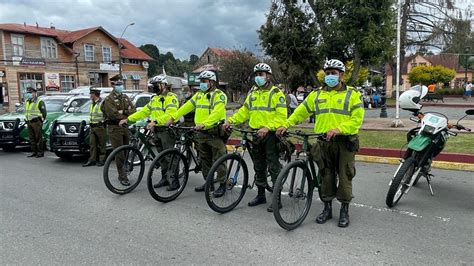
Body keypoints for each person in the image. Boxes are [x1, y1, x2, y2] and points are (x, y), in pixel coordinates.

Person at [277, 59, 364, 227]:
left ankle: (344, 210)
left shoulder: (352, 94)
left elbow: (357, 119)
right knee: (326, 175)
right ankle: (327, 208)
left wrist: (339, 129)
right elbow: (301, 111)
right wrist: (286, 124)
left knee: (345, 176)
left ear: (341, 75)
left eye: (334, 73)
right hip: (323, 143)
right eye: (328, 73)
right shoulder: (317, 94)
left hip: (344, 142)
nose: (330, 76)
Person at [225, 63, 287, 212]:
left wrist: (268, 127)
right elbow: (244, 112)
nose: (258, 77)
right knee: (258, 166)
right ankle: (261, 195)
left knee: (272, 167)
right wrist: (230, 121)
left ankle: (277, 199)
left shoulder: (276, 93)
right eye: (257, 74)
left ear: (268, 76)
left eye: (261, 74)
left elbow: (282, 117)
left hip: (270, 135)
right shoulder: (253, 93)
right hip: (255, 134)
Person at [167, 70, 228, 198]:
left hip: (214, 133)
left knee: (220, 159)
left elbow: (217, 113)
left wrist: (205, 124)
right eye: (201, 82)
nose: (202, 84)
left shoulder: (219, 95)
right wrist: (174, 117)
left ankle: (222, 184)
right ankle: (209, 183)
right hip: (201, 132)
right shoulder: (199, 95)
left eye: (204, 81)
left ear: (211, 82)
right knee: (204, 160)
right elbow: (187, 106)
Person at [120, 75, 180, 190]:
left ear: (163, 85)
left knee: (170, 157)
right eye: (153, 86)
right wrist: (129, 119)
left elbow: (170, 114)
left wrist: (155, 121)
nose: (154, 88)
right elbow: (144, 112)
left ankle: (175, 180)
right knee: (161, 157)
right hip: (157, 130)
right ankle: (165, 178)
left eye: (156, 85)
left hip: (167, 131)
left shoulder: (171, 98)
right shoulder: (155, 98)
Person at [102, 75, 136, 186]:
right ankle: (122, 176)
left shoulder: (125, 97)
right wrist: (125, 113)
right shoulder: (109, 99)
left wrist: (124, 112)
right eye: (118, 85)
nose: (120, 86)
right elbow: (113, 114)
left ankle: (123, 171)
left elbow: (133, 110)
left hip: (125, 127)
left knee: (126, 151)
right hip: (114, 128)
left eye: (121, 84)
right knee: (119, 153)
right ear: (112, 85)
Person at [83, 87, 106, 167]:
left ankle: (102, 160)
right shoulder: (92, 103)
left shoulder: (102, 103)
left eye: (91, 94)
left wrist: (104, 123)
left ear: (95, 95)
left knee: (102, 144)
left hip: (100, 127)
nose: (90, 95)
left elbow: (106, 114)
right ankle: (92, 160)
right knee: (92, 144)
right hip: (92, 127)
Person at [24, 86, 47, 158]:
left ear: (35, 93)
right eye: (28, 93)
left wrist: (41, 121)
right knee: (32, 138)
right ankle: (34, 152)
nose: (29, 94)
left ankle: (40, 152)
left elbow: (44, 113)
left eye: (30, 93)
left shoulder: (39, 101)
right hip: (29, 122)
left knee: (38, 138)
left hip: (36, 122)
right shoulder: (27, 101)